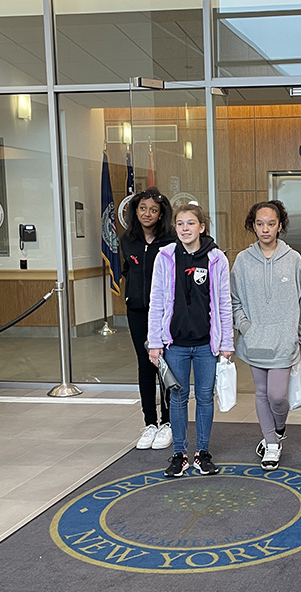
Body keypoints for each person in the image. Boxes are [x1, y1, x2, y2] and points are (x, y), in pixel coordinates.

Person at [148, 203, 234, 478]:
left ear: (202, 227)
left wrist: (227, 343)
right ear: (175, 228)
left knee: (206, 398)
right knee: (178, 397)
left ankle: (203, 452)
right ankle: (179, 454)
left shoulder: (217, 259)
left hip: (207, 344)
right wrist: (154, 342)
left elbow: (224, 304)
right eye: (180, 224)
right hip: (175, 344)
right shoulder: (165, 257)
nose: (185, 228)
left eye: (191, 223)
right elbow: (157, 302)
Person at [231, 200, 301, 471]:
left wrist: (300, 336)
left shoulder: (294, 259)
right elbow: (233, 300)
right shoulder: (243, 260)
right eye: (259, 223)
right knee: (262, 393)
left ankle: (277, 429)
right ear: (252, 226)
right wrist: (246, 327)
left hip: (284, 341)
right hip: (255, 341)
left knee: (278, 396)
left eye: (271, 223)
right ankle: (272, 445)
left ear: (280, 226)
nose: (265, 229)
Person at [120, 187, 175, 450]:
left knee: (164, 366)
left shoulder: (170, 241)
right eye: (142, 208)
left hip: (165, 313)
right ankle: (150, 423)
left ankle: (167, 423)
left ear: (161, 213)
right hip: (137, 311)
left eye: (153, 209)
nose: (147, 213)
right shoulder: (127, 240)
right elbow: (127, 271)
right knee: (145, 365)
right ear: (135, 211)